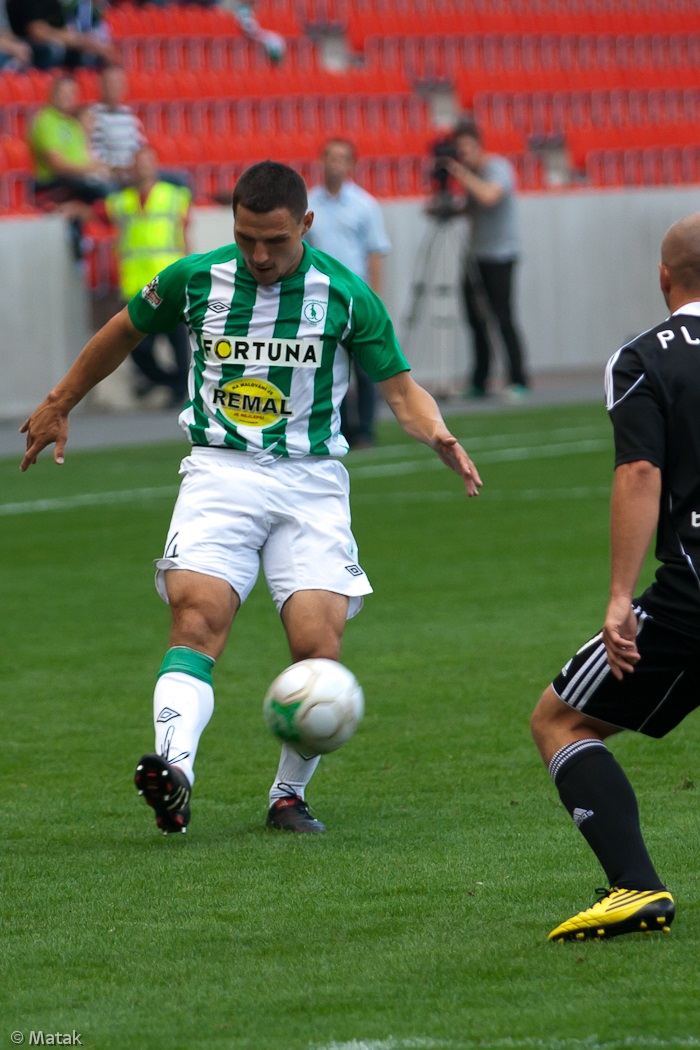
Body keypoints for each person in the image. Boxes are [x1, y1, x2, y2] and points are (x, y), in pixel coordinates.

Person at [20, 159, 483, 838]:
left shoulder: (346, 294)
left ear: (306, 225)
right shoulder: (194, 277)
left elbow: (400, 389)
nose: (260, 255)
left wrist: (434, 429)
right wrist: (61, 401)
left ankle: (288, 797)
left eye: (275, 240)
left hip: (311, 481)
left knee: (318, 644)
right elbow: (123, 329)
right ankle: (174, 775)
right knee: (198, 619)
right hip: (220, 471)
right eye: (246, 239)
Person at [529, 212, 700, 942]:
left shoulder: (644, 357)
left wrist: (620, 597)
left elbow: (639, 472)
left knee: (560, 718)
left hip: (694, 594)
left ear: (664, 278)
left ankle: (635, 888)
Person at [306, 138, 391, 449]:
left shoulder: (364, 205)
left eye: (341, 158)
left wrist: (374, 299)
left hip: (356, 295)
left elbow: (375, 252)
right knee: (329, 366)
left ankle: (366, 428)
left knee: (364, 368)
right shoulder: (308, 203)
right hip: (321, 297)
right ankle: (338, 427)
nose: (334, 164)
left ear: (351, 165)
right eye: (330, 157)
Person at [445, 121, 529, 403]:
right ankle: (480, 378)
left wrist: (460, 173)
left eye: (467, 148)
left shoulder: (496, 168)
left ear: (479, 145)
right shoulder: (473, 175)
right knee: (474, 318)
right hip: (476, 255)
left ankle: (518, 378)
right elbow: (472, 208)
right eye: (460, 151)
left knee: (502, 317)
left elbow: (490, 196)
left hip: (500, 255)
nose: (464, 155)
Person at [102, 145, 191, 406]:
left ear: (155, 166)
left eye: (147, 162)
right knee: (137, 345)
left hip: (168, 280)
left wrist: (188, 272)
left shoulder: (174, 196)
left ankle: (178, 389)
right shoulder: (121, 201)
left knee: (176, 340)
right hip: (135, 284)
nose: (142, 168)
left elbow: (184, 235)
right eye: (138, 163)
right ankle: (171, 381)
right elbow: (100, 217)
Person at [6, 0, 113, 69]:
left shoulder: (53, 3)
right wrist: (71, 39)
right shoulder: (28, 2)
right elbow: (37, 31)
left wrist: (85, 42)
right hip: (28, 45)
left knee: (83, 52)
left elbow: (65, 31)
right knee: (53, 49)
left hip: (53, 43)